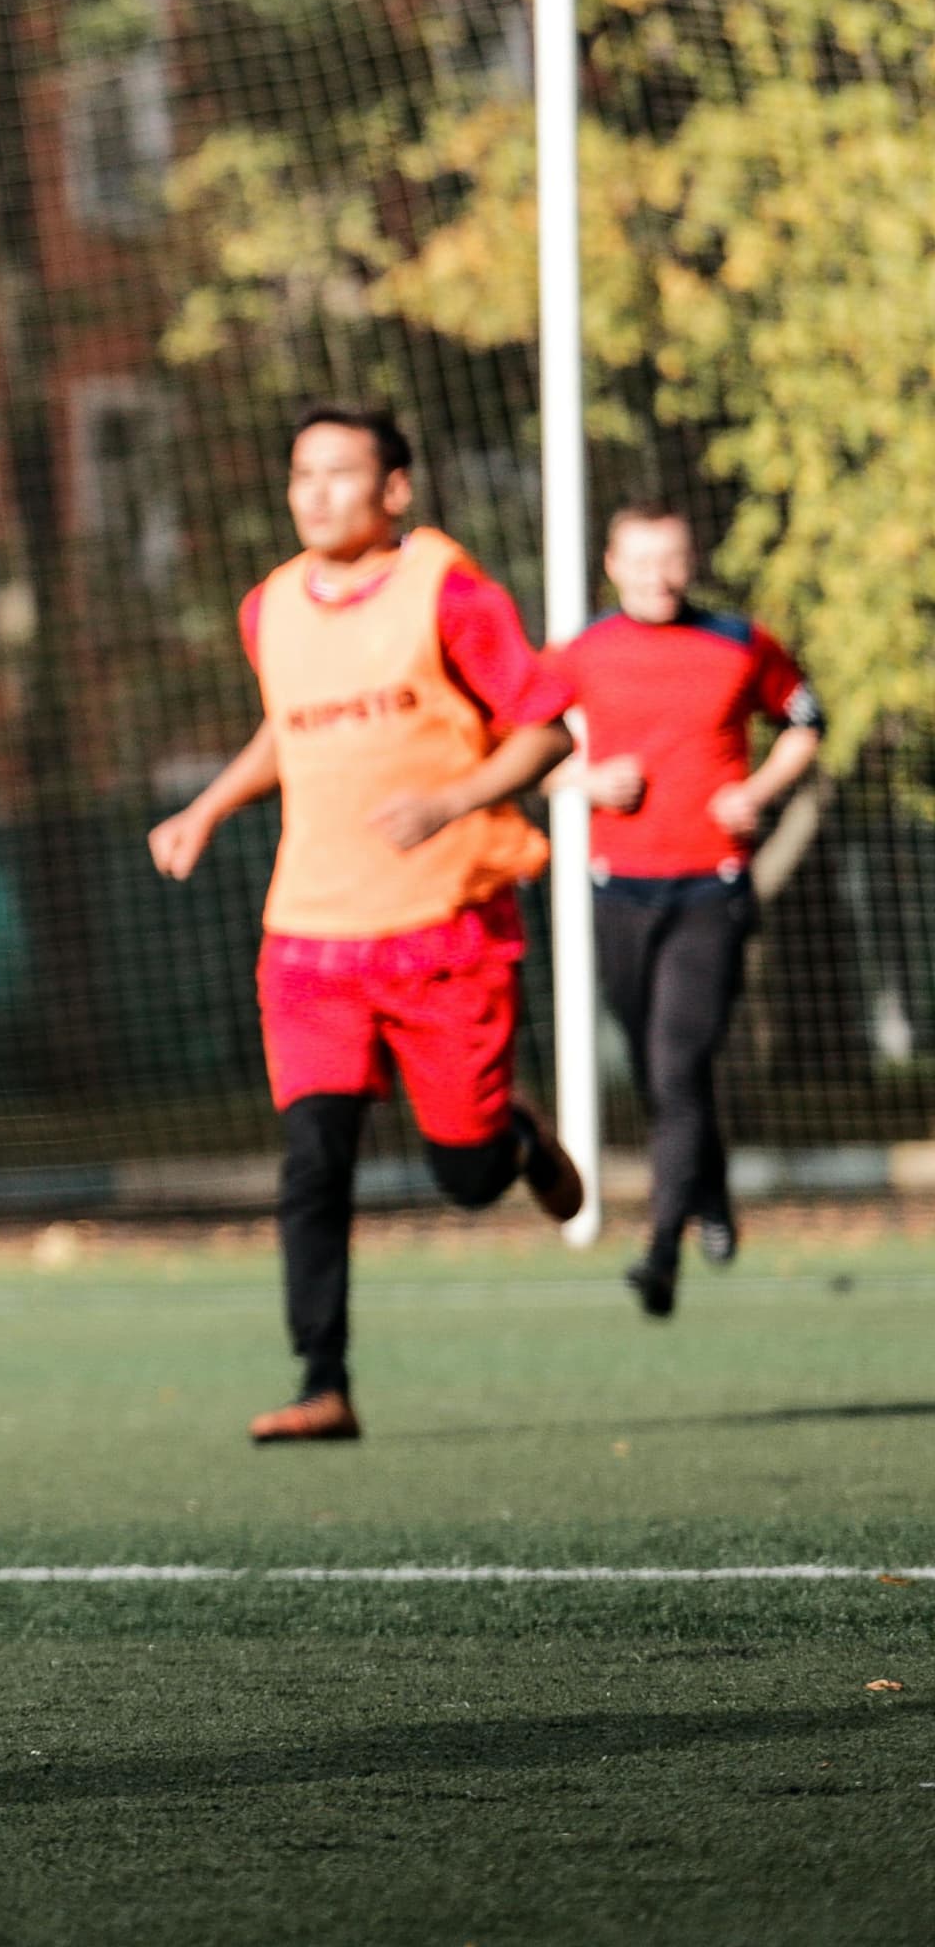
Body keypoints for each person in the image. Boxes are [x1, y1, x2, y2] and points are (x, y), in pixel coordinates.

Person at [148, 410, 587, 1445]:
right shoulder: (269, 607)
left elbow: (545, 729)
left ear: (395, 488)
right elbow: (290, 727)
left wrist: (451, 800)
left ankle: (514, 1140)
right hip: (309, 933)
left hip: (444, 926)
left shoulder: (453, 591)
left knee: (465, 1175)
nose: (314, 493)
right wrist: (208, 807)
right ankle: (322, 1380)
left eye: (339, 473)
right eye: (301, 474)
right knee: (313, 1155)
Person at [552, 504, 821, 1317]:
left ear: (691, 557)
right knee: (653, 1068)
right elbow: (514, 747)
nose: (656, 576)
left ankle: (660, 1249)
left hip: (712, 887)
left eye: (670, 558)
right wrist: (582, 781)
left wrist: (758, 792)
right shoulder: (583, 652)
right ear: (611, 564)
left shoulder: (742, 641)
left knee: (677, 1063)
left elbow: (807, 723)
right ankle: (711, 1190)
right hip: (618, 890)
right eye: (639, 561)